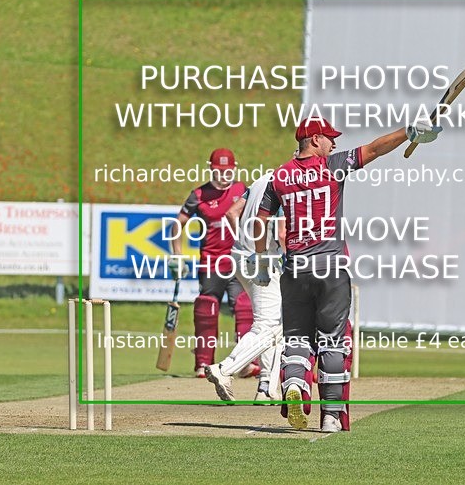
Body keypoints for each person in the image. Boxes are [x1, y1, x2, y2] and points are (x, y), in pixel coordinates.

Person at [251, 115, 441, 432]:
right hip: (331, 268)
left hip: (295, 269)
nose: (334, 142)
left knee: (297, 339)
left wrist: (260, 259)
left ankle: (294, 384)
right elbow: (376, 149)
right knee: (333, 341)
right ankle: (330, 416)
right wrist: (408, 132)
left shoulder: (279, 176)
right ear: (314, 139)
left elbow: (260, 221)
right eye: (329, 137)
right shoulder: (333, 165)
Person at [168, 148, 256, 378]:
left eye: (227, 171)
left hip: (237, 261)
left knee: (245, 307)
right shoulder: (199, 195)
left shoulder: (242, 190)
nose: (223, 175)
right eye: (219, 171)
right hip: (211, 263)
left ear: (234, 169)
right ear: (211, 169)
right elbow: (177, 224)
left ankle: (246, 362)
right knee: (207, 308)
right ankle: (203, 363)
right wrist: (177, 255)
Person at [203, 170, 286, 402]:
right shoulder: (289, 179)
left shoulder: (262, 179)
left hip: (240, 256)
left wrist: (242, 239)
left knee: (273, 323)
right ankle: (225, 368)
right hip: (265, 259)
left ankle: (266, 389)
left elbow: (232, 212)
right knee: (270, 324)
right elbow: (281, 232)